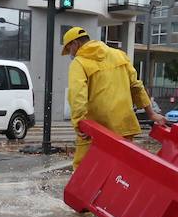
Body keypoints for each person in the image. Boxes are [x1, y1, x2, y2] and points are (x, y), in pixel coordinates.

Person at [60, 26, 167, 169]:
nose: (70, 54)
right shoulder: (119, 55)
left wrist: (79, 123)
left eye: (69, 50)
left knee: (85, 172)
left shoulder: (79, 63)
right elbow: (136, 86)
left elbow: (77, 95)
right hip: (124, 127)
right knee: (120, 174)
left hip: (96, 131)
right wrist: (151, 113)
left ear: (75, 44)